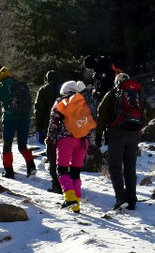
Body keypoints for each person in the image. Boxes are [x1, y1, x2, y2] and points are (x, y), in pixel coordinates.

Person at [96, 72, 147, 211]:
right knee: (130, 169)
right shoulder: (136, 94)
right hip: (133, 136)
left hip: (117, 135)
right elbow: (144, 113)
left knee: (115, 167)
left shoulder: (112, 94)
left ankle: (121, 198)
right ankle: (132, 200)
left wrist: (98, 134)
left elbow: (101, 114)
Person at [47, 80, 96, 213]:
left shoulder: (61, 101)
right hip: (83, 141)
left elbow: (53, 121)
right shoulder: (83, 102)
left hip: (66, 140)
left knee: (62, 169)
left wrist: (50, 138)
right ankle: (76, 205)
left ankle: (69, 198)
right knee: (75, 172)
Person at [0, 67, 37, 179]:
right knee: (22, 145)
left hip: (10, 119)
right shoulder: (20, 85)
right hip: (25, 118)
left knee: (7, 145)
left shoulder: (1, 87)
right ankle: (31, 167)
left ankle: (9, 171)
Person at [32, 70, 63, 193]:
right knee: (64, 156)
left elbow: (39, 110)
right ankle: (67, 182)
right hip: (65, 128)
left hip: (49, 126)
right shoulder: (64, 89)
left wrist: (39, 128)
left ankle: (56, 184)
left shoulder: (43, 90)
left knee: (52, 156)